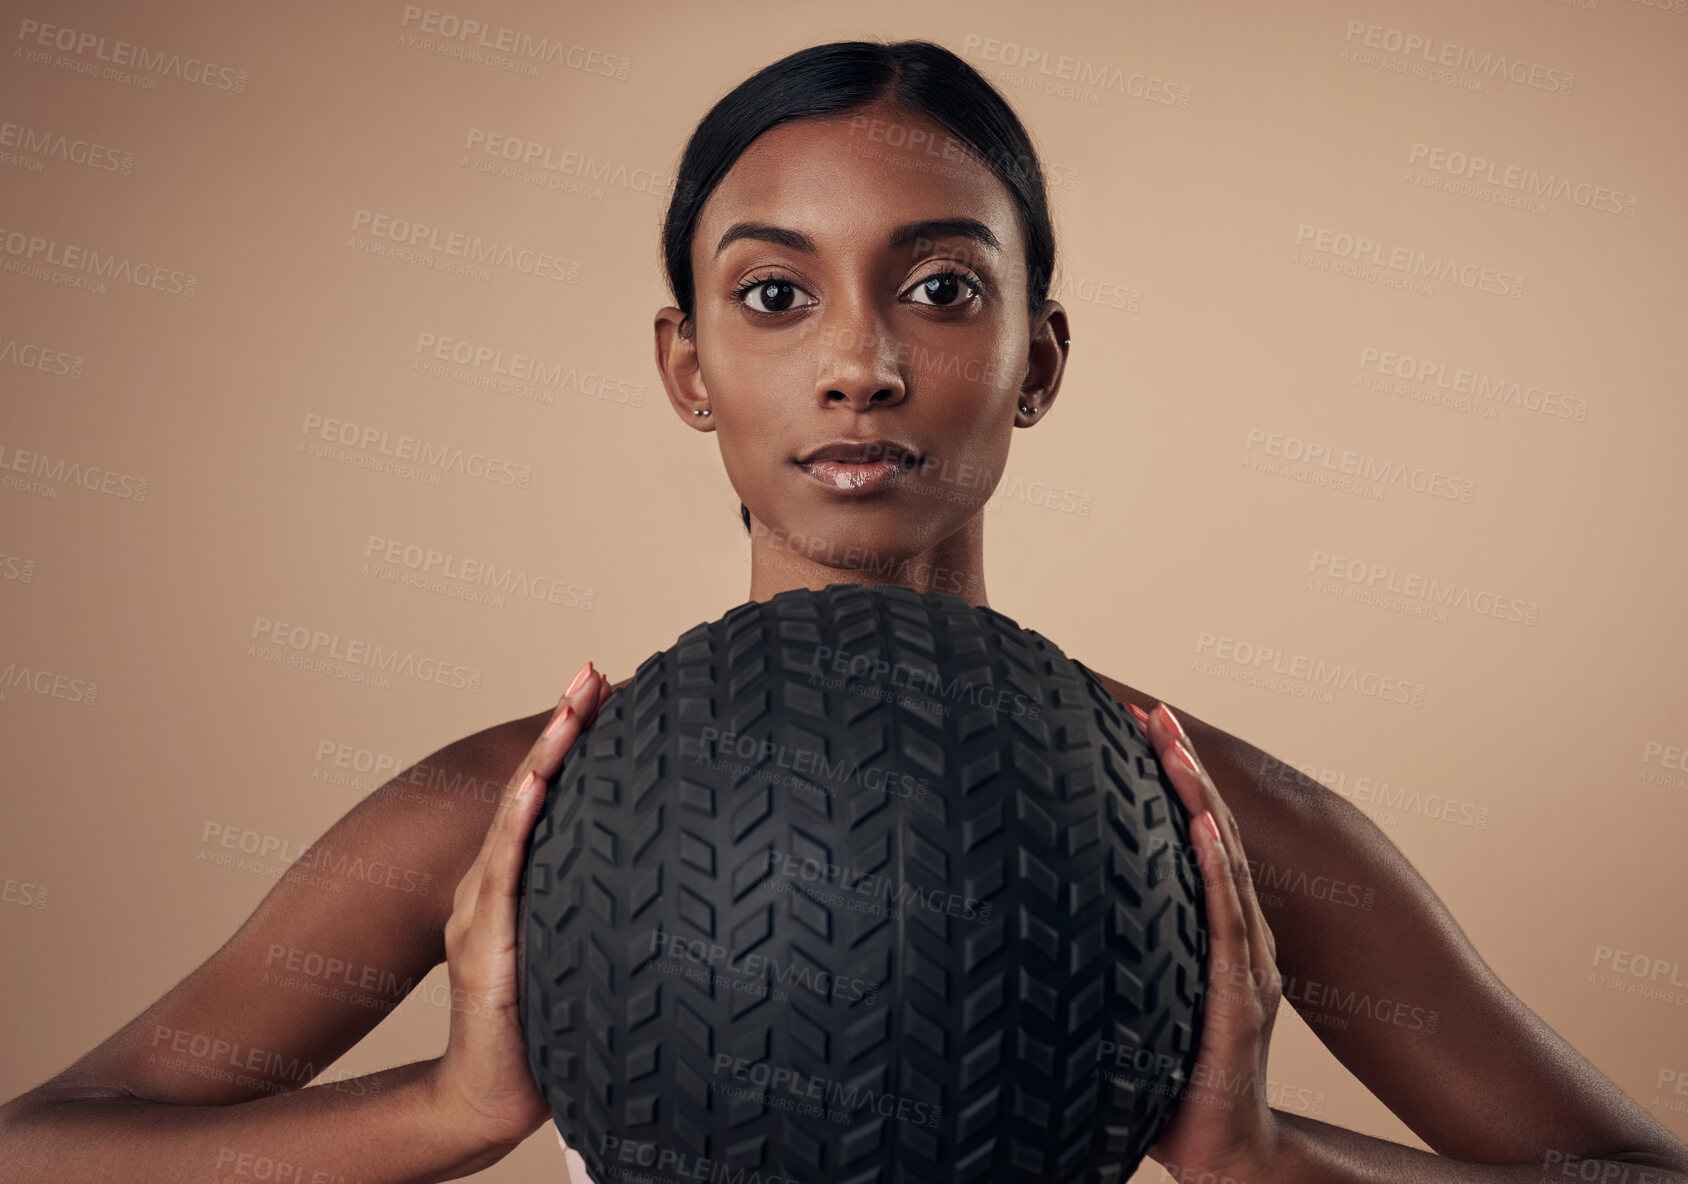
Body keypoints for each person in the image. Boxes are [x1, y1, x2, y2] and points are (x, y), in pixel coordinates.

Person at [1, 36, 1683, 1184]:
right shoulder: (521, 806)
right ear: (688, 365)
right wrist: (445, 1112)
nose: (860, 360)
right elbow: (51, 1146)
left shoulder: (1207, 816)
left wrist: (1261, 1155)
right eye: (774, 293)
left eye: (943, 289)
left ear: (1038, 358)